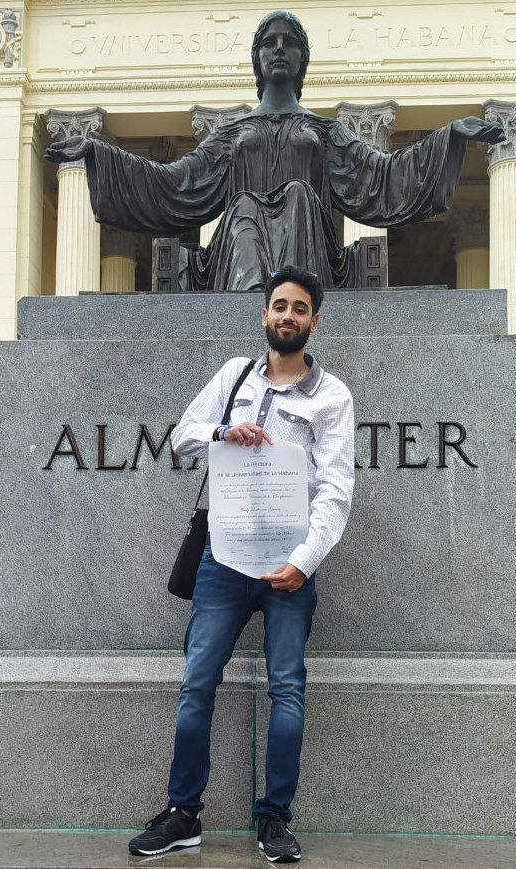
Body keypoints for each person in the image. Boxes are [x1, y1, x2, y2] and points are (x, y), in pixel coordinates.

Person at [128, 266, 355, 861]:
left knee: (287, 690)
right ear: (263, 315)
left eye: (299, 309)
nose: (287, 316)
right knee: (197, 684)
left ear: (313, 321)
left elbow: (336, 489)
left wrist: (305, 562)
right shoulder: (234, 376)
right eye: (279, 305)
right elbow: (182, 436)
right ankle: (183, 814)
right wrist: (226, 431)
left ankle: (274, 821)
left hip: (290, 565)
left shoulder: (333, 397)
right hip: (223, 560)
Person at [43, 11, 505, 294]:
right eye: (269, 43)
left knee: (300, 195)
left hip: (311, 249)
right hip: (235, 254)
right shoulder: (231, 133)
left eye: (289, 44)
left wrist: (451, 137)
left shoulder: (325, 133)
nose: (279, 49)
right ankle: (256, 308)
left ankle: (291, 307)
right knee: (244, 206)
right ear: (257, 59)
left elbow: (382, 178)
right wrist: (98, 153)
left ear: (303, 59)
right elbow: (174, 182)